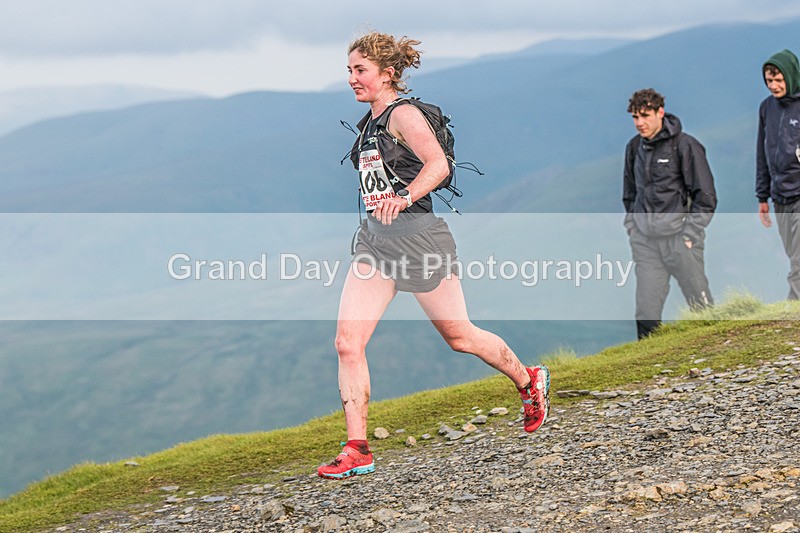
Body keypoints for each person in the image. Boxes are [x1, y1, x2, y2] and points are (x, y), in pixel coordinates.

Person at [317, 31, 550, 479]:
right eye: (349, 70)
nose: (351, 79)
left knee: (460, 336)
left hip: (421, 241)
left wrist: (402, 197)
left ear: (387, 74)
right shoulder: (370, 121)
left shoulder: (404, 114)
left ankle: (528, 379)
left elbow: (439, 165)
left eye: (359, 70)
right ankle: (357, 448)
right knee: (348, 342)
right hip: (376, 244)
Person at [622, 88, 717, 340]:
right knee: (646, 311)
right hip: (646, 243)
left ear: (660, 113)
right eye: (635, 117)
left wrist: (690, 234)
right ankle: (649, 367)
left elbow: (705, 196)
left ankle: (715, 353)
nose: (639, 123)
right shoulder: (634, 148)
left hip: (681, 239)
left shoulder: (685, 146)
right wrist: (633, 228)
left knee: (700, 304)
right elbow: (629, 194)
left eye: (644, 116)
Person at [756, 49, 800, 301]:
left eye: (778, 80)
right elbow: (761, 152)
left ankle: (793, 311)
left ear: (791, 76)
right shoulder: (766, 108)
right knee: (792, 253)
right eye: (769, 80)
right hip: (779, 196)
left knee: (799, 260)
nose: (773, 85)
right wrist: (762, 195)